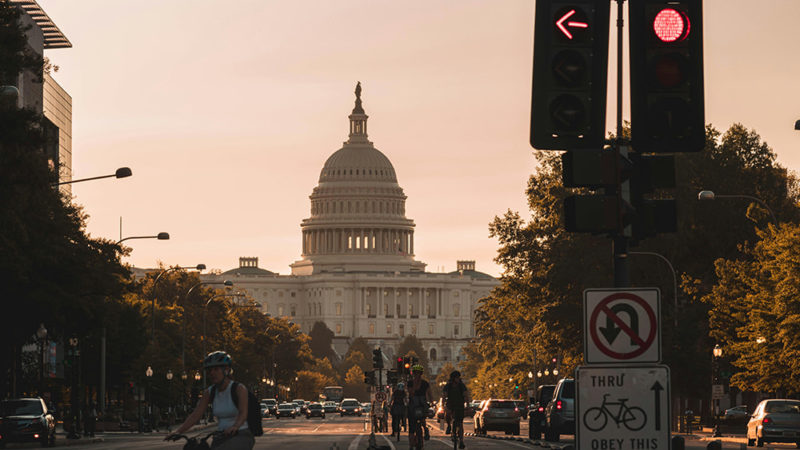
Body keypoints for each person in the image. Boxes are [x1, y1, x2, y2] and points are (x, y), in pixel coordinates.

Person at [167, 351, 254, 450]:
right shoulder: (210, 392)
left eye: (216, 369)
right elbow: (196, 415)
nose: (212, 373)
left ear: (226, 370)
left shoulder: (239, 389)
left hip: (241, 434)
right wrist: (178, 431)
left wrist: (235, 426)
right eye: (209, 370)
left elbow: (243, 413)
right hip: (221, 436)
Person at [443, 370, 470, 449]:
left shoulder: (462, 386)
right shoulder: (448, 386)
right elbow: (444, 396)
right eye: (456, 378)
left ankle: (461, 441)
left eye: (458, 377)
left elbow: (466, 396)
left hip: (459, 405)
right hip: (450, 404)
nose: (458, 379)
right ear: (453, 378)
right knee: (447, 415)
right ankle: (448, 425)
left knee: (460, 423)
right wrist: (443, 406)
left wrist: (467, 406)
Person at [407, 364, 433, 444]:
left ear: (421, 374)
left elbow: (429, 394)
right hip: (413, 405)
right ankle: (411, 444)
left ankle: (425, 429)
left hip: (422, 404)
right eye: (415, 373)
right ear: (413, 374)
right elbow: (410, 393)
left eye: (419, 373)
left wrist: (432, 402)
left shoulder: (425, 383)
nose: (417, 375)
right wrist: (415, 385)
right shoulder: (410, 383)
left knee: (423, 418)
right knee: (411, 426)